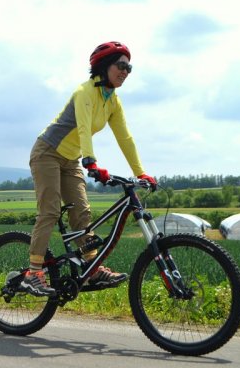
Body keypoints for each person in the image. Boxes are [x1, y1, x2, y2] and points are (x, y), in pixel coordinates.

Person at [21, 41, 157, 296]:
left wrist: (140, 173)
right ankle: (33, 273)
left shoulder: (112, 102)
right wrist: (90, 161)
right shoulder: (85, 92)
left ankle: (91, 267)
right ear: (104, 66)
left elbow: (124, 138)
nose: (126, 72)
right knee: (50, 211)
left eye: (130, 68)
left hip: (71, 159)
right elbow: (83, 128)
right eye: (121, 65)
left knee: (82, 213)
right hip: (47, 153)